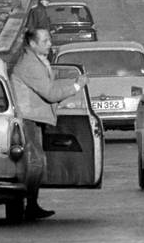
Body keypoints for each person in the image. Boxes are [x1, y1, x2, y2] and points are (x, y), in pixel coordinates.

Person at [10, 28, 88, 220]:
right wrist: (77, 86)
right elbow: (51, 94)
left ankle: (30, 204)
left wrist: (69, 85)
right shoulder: (30, 65)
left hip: (34, 117)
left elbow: (50, 88)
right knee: (36, 162)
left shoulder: (37, 61)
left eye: (49, 40)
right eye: (45, 41)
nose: (50, 44)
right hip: (27, 118)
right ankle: (27, 204)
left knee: (37, 162)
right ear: (33, 44)